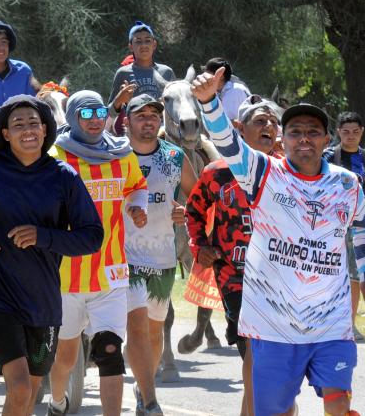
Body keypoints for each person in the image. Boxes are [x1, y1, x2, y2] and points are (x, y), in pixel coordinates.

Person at [191, 68, 365, 416]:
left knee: (340, 404)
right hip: (272, 323)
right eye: (295, 132)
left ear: (328, 139)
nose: (304, 139)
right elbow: (227, 142)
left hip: (331, 321)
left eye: (313, 132)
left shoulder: (345, 184)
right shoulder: (263, 173)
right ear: (285, 137)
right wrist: (208, 102)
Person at [0, 95, 103, 416]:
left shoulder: (63, 176)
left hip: (43, 300)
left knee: (28, 392)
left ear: (45, 130)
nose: (27, 129)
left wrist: (43, 236)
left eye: (34, 123)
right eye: (18, 124)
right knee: (18, 386)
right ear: (5, 134)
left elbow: (92, 237)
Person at [48, 90, 149, 416]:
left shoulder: (122, 154)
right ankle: (57, 401)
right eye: (85, 114)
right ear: (74, 115)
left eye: (99, 113)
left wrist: (136, 208)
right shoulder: (56, 156)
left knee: (109, 352)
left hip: (111, 272)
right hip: (65, 277)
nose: (94, 121)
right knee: (64, 356)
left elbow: (136, 187)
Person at [186, 95, 282, 416]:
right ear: (240, 129)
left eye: (273, 121)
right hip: (234, 277)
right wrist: (200, 247)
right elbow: (194, 210)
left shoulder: (286, 171)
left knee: (272, 371)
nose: (268, 126)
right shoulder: (217, 172)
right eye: (260, 121)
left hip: (280, 280)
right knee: (255, 355)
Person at [122, 94, 195, 416]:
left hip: (162, 258)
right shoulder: (116, 155)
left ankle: (143, 385)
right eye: (141, 115)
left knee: (154, 329)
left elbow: (199, 197)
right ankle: (150, 400)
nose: (148, 121)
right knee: (136, 328)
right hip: (123, 259)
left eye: (154, 115)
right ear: (128, 121)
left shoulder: (175, 157)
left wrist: (186, 212)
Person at [324, 111, 365, 336]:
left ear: (362, 133)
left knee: (355, 275)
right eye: (346, 131)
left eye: (355, 132)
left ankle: (350, 323)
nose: (350, 136)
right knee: (332, 274)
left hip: (360, 220)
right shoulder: (328, 157)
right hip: (332, 222)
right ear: (338, 132)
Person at [106, 21, 175, 135]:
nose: (143, 45)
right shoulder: (123, 73)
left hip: (164, 133)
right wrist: (120, 99)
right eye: (138, 41)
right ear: (131, 46)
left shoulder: (166, 72)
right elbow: (109, 113)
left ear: (154, 44)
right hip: (135, 133)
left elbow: (175, 107)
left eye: (148, 40)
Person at [204, 57, 251, 121]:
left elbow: (236, 123)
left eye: (208, 74)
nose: (205, 77)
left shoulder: (235, 91)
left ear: (221, 76)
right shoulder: (215, 92)